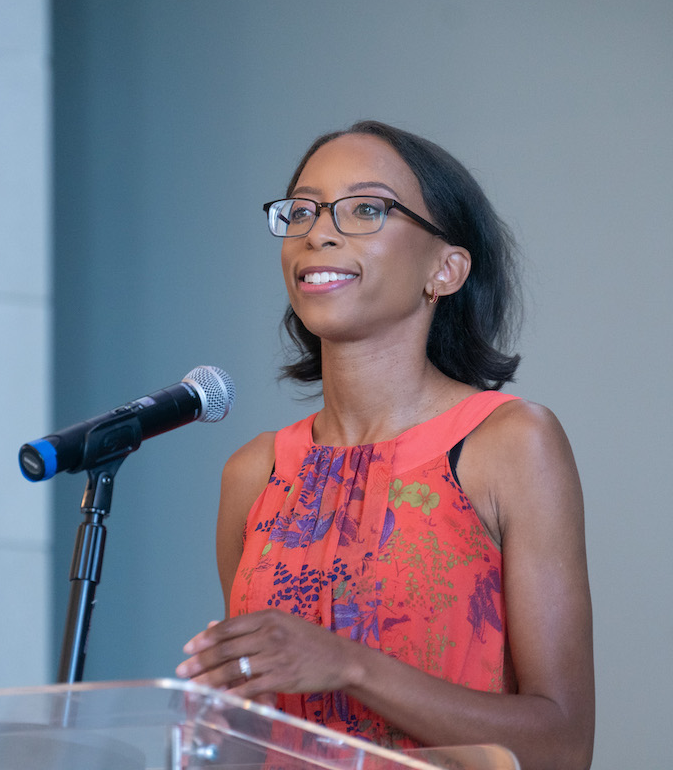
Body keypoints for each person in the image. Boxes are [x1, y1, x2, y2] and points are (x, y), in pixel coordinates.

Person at [175, 121, 595, 770]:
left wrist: (349, 665)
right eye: (303, 211)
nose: (319, 231)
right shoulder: (253, 472)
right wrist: (209, 717)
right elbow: (262, 735)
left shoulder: (511, 443)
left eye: (366, 209)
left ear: (445, 270)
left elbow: (562, 747)